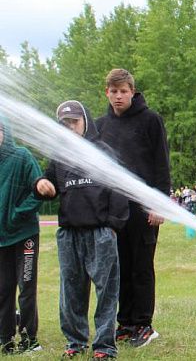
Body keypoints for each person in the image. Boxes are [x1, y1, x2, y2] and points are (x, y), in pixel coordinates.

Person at [34, 100, 128, 360]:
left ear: (85, 121)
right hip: (69, 234)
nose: (70, 127)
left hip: (100, 232)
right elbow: (47, 181)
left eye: (74, 121)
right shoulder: (60, 155)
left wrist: (112, 225)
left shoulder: (103, 151)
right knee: (71, 290)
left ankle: (104, 346)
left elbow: (120, 190)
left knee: (106, 291)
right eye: (64, 123)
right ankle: (75, 342)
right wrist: (41, 184)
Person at [96, 68, 171, 348]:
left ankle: (143, 324)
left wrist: (159, 203)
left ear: (132, 92)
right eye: (113, 91)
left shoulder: (151, 120)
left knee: (141, 266)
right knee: (119, 267)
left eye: (123, 91)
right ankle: (125, 323)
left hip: (143, 208)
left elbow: (161, 165)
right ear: (107, 92)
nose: (118, 96)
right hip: (113, 211)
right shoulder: (100, 125)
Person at [0, 113, 43, 355]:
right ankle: (5, 340)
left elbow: (38, 190)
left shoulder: (22, 156)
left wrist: (18, 213)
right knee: (3, 290)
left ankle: (29, 340)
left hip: (24, 235)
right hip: (1, 239)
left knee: (26, 287)